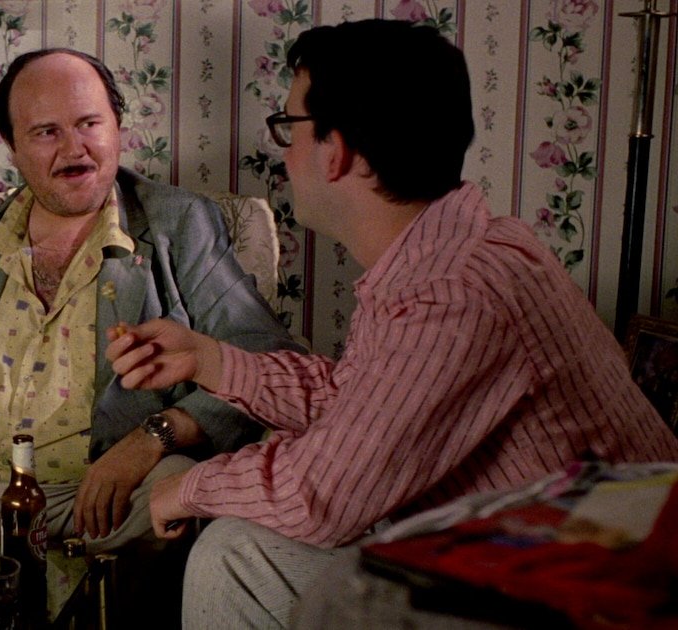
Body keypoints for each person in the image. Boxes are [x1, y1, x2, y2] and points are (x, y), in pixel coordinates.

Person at [104, 19, 678, 628]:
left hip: (596, 599)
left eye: (290, 127)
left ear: (338, 151)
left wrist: (189, 487)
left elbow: (322, 493)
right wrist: (210, 359)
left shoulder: (452, 293)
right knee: (241, 550)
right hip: (536, 563)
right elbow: (362, 406)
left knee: (237, 553)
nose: (284, 153)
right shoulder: (453, 255)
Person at [0, 48, 301, 552]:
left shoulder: (178, 225)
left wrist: (152, 438)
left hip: (103, 500)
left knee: (179, 489)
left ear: (117, 126)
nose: (75, 149)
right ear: (11, 146)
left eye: (89, 123)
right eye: (47, 132)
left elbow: (265, 358)